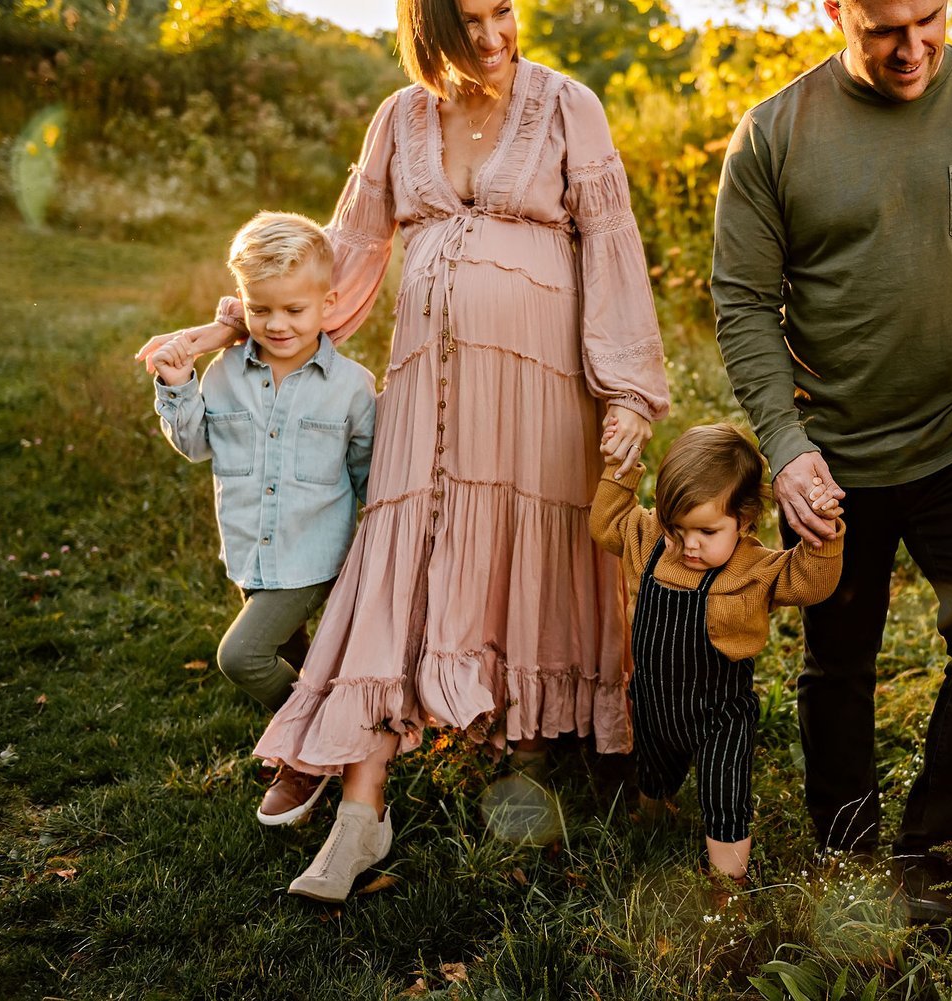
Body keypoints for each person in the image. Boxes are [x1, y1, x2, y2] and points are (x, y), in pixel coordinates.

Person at [137, 0, 668, 902]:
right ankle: (359, 812)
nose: (497, 35)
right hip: (425, 387)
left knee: (528, 553)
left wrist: (627, 391)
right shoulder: (400, 117)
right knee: (401, 568)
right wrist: (232, 328)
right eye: (472, 20)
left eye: (506, 11)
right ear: (428, 26)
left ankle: (524, 752)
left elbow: (612, 249)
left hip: (542, 386)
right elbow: (340, 257)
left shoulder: (568, 104)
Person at [711, 0, 952, 917]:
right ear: (837, 10)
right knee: (838, 664)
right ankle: (845, 856)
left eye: (928, 18)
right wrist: (789, 449)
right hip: (833, 456)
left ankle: (933, 852)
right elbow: (743, 301)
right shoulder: (773, 135)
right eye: (884, 27)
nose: (912, 46)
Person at [149, 212, 375, 827]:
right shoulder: (223, 375)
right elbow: (195, 445)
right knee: (300, 662)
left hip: (311, 554)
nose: (276, 325)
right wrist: (178, 384)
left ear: (327, 303)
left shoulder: (352, 388)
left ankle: (308, 752)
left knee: (243, 656)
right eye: (260, 309)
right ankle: (340, 740)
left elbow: (367, 477)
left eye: (294, 311)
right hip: (250, 550)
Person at [589, 423, 844, 901]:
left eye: (708, 531)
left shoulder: (753, 568)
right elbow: (606, 523)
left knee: (725, 792)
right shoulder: (647, 542)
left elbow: (811, 583)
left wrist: (822, 534)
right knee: (653, 768)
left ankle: (727, 884)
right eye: (676, 528)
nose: (689, 545)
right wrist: (619, 471)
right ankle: (652, 815)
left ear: (745, 520)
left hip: (718, 713)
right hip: (653, 698)